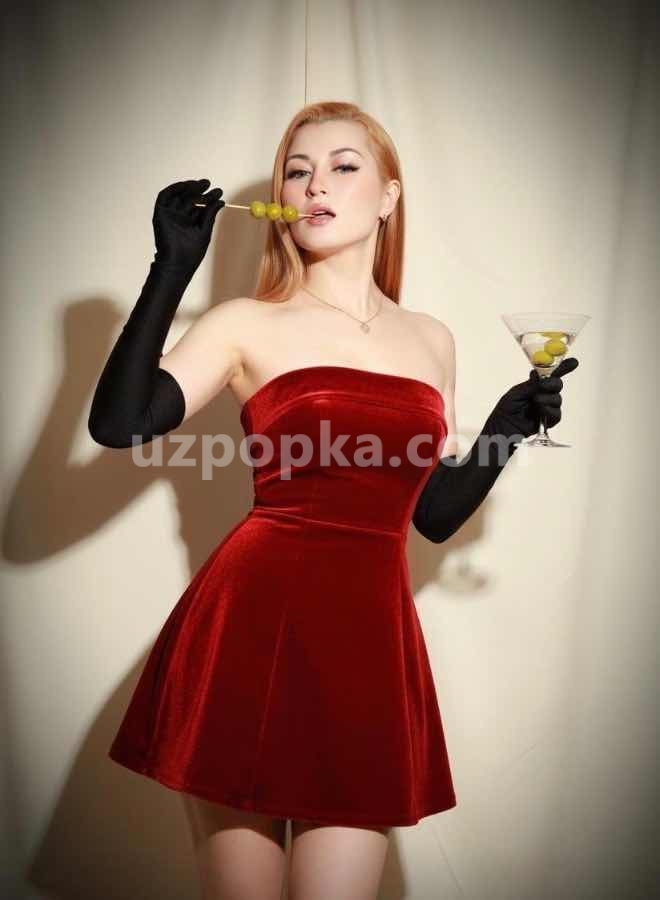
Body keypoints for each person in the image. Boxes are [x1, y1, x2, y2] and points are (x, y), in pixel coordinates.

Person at [89, 101, 577, 900]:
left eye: (344, 166)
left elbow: (431, 516)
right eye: (297, 170)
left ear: (389, 195)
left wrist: (504, 430)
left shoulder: (431, 338)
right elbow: (119, 424)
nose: (315, 185)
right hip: (248, 628)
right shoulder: (245, 322)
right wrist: (171, 268)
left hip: (367, 648)